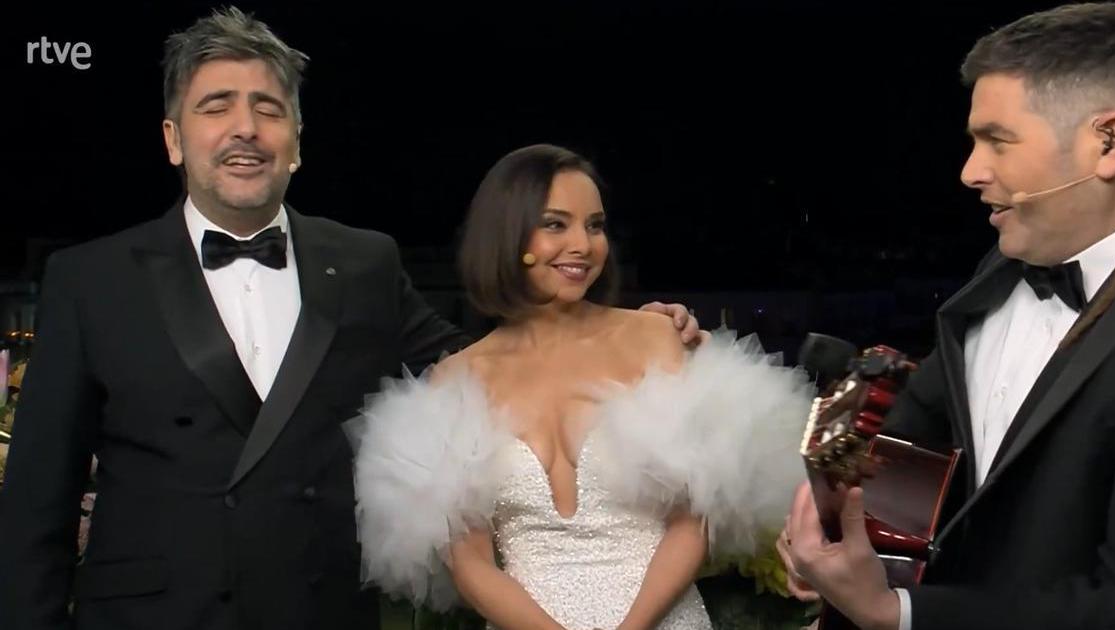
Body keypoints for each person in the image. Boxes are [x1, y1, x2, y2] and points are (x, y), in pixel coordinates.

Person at [0, 8, 698, 630]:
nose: (246, 128)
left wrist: (621, 336)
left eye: (269, 109)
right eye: (216, 106)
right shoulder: (90, 280)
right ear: (174, 138)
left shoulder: (364, 263)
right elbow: (36, 506)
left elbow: (486, 366)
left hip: (318, 609)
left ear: (297, 141)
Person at [778, 3, 1115, 629]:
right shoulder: (1000, 267)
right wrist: (838, 528)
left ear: (1109, 143)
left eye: (997, 140)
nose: (970, 172)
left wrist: (898, 613)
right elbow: (927, 442)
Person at [347, 143, 816, 630]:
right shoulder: (457, 380)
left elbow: (693, 521)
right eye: (556, 224)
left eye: (595, 226)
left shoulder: (655, 338)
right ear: (507, 234)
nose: (583, 244)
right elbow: (471, 564)